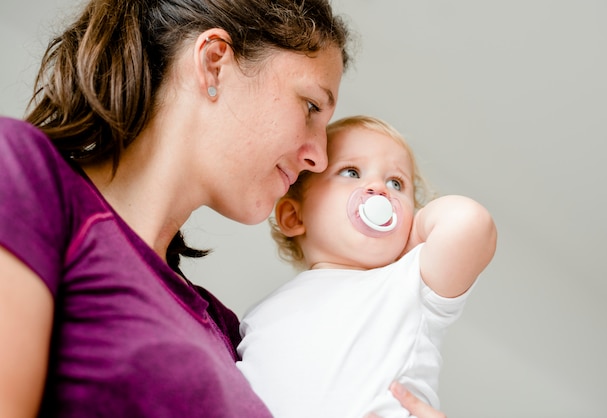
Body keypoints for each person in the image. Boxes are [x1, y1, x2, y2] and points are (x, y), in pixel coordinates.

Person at [0, 0, 351, 416]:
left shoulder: (227, 331)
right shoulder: (23, 173)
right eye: (311, 107)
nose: (320, 158)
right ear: (214, 62)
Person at [236, 115, 498, 418]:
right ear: (294, 217)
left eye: (396, 183)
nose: (378, 188)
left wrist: (410, 239)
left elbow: (470, 223)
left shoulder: (410, 280)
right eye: (351, 171)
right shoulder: (259, 316)